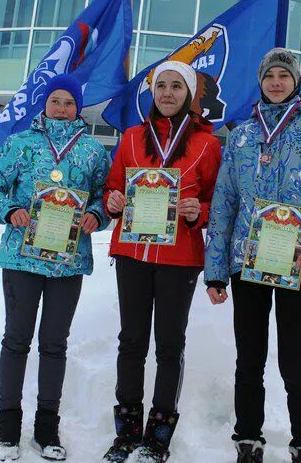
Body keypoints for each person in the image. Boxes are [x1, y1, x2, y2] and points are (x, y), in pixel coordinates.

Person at [204, 48, 301, 463]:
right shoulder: (242, 136)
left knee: (295, 360)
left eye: (283, 76)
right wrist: (216, 272)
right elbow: (224, 205)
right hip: (247, 265)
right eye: (269, 75)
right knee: (248, 358)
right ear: (260, 81)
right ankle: (247, 439)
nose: (276, 82)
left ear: (296, 82)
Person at [0, 73, 110, 462]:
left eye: (69, 103)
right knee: (16, 340)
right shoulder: (21, 144)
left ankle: (47, 427)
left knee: (54, 344)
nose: (62, 108)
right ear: (45, 104)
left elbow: (106, 195)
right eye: (56, 101)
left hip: (67, 263)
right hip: (22, 258)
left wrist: (97, 216)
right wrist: (10, 210)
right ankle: (7, 427)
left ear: (78, 108)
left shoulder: (94, 152)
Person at [101, 60, 222, 463]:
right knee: (131, 341)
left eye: (176, 87)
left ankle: (159, 434)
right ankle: (126, 432)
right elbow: (113, 187)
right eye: (161, 87)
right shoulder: (133, 137)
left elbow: (219, 202)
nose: (167, 93)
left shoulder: (208, 144)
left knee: (169, 346)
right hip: (132, 253)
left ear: (188, 95)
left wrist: (197, 211)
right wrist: (112, 202)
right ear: (152, 94)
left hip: (179, 258)